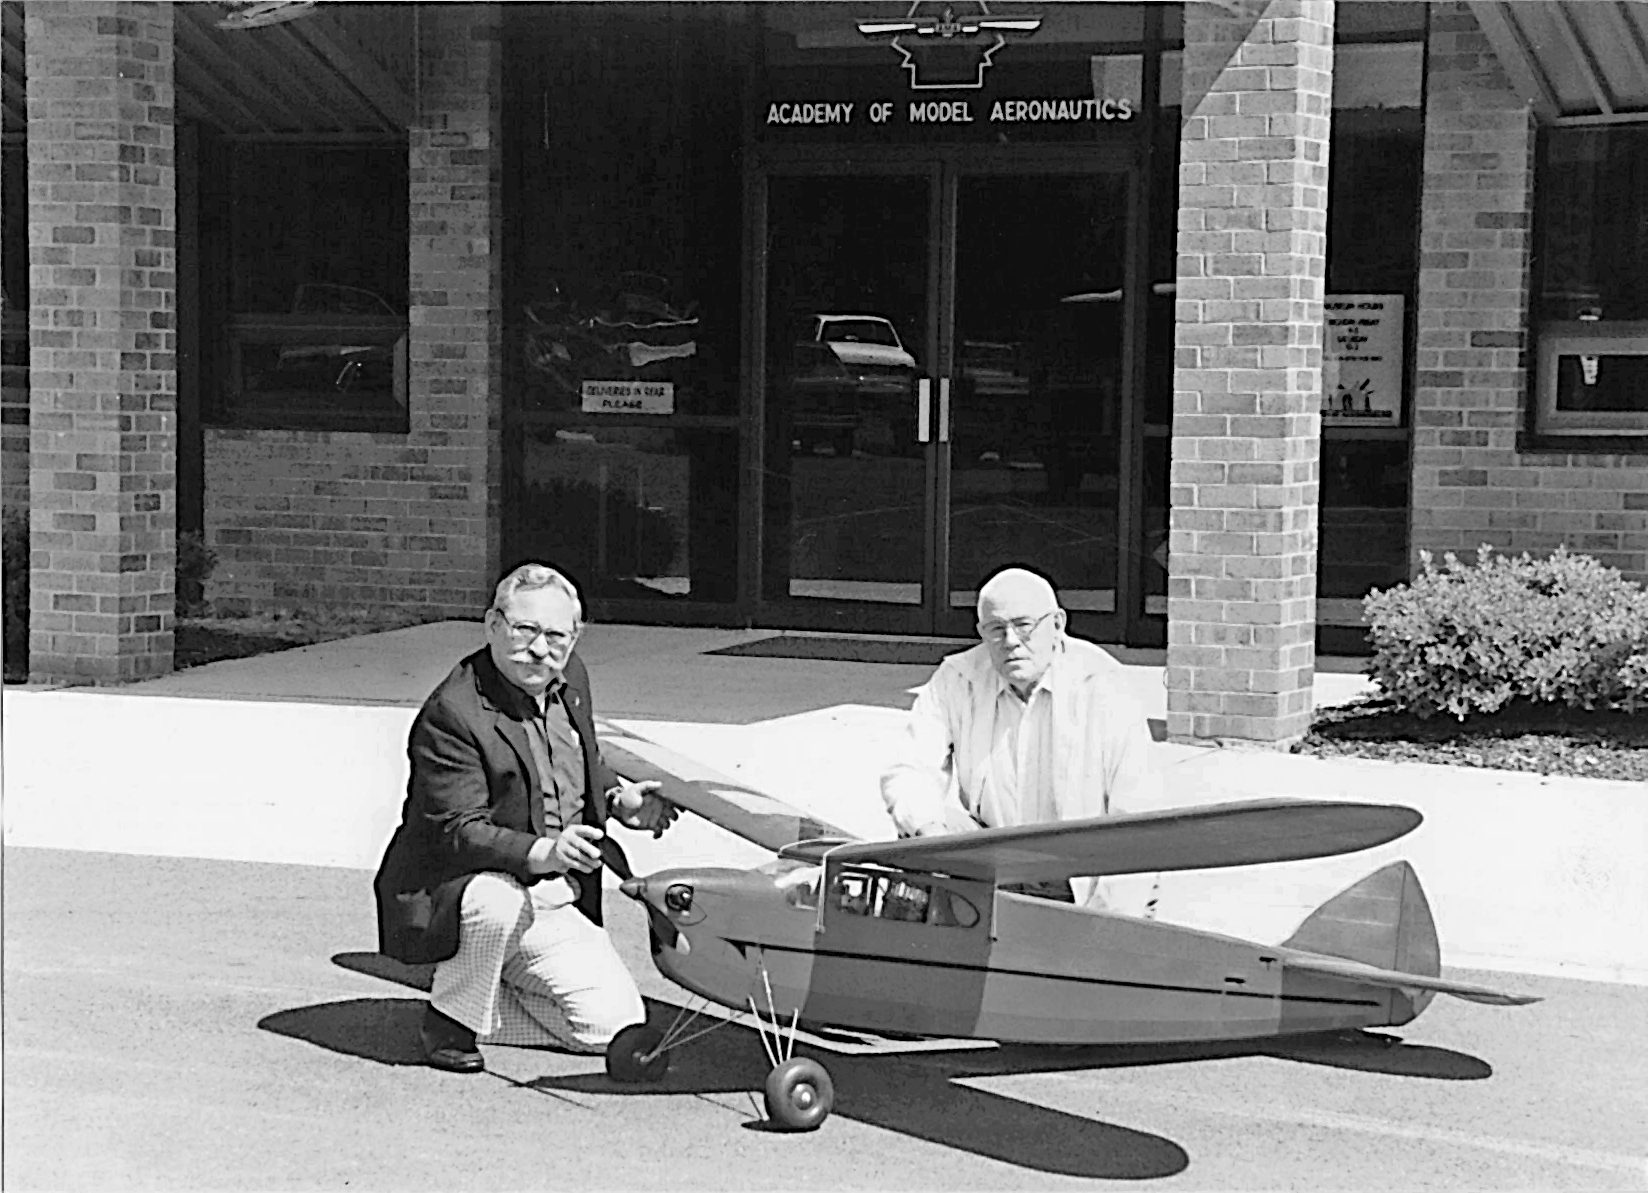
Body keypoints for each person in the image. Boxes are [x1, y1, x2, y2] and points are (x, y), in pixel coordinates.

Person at [374, 563, 678, 1073]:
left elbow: (575, 760)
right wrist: (548, 852)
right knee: (497, 902)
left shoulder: (569, 677)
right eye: (525, 631)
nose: (540, 648)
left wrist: (619, 801)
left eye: (556, 635)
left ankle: (477, 1000)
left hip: (552, 898)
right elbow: (459, 831)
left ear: (575, 636)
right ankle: (450, 1021)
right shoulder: (452, 714)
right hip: (464, 891)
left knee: (610, 1030)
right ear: (493, 625)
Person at [880, 566, 1159, 908]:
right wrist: (929, 832)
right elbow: (907, 770)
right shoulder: (958, 678)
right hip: (991, 862)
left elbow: (1136, 819)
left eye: (1024, 626)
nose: (1010, 641)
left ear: (1057, 624)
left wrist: (1104, 926)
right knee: (917, 831)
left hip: (1079, 873)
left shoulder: (1105, 687)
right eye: (996, 630)